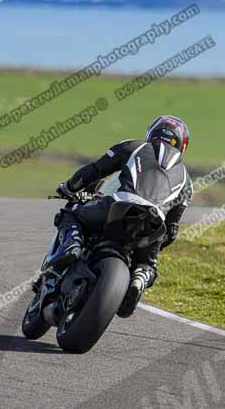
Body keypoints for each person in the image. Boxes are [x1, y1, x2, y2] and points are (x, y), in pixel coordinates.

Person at [47, 115, 193, 318]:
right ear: (182, 144)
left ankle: (73, 245)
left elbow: (95, 170)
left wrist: (69, 187)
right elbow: (172, 230)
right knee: (147, 263)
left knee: (70, 214)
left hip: (119, 204)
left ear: (152, 132)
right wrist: (151, 246)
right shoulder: (187, 181)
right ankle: (140, 277)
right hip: (154, 222)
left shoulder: (134, 146)